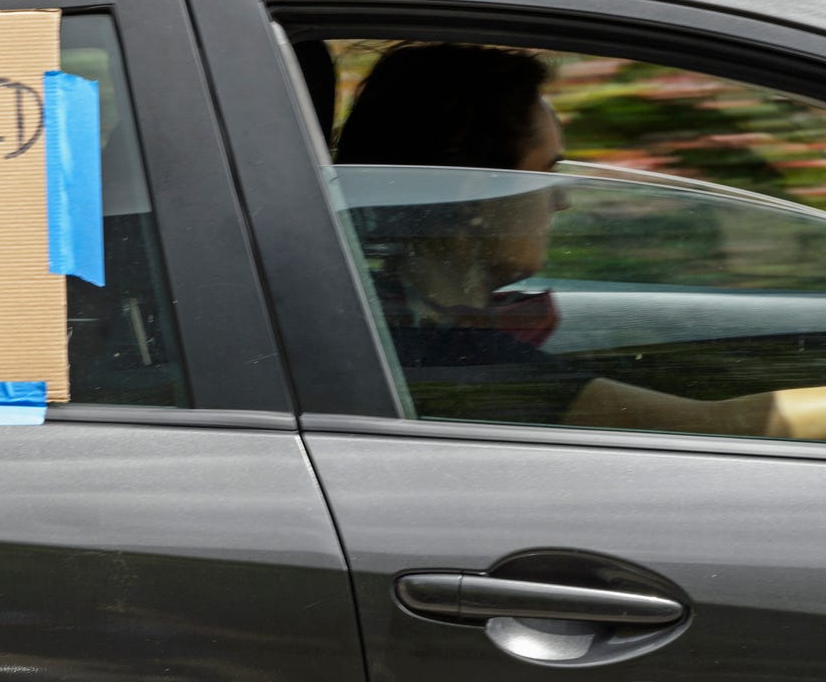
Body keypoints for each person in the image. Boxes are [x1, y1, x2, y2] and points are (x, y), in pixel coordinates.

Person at [336, 42, 826, 439]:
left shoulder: (387, 322)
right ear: (474, 192)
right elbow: (718, 427)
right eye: (545, 173)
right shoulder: (436, 352)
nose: (561, 201)